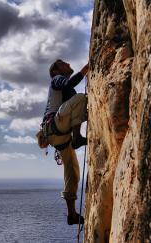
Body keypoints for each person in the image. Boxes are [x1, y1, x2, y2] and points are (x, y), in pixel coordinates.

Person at [42, 59, 88, 225]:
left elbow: (69, 87)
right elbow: (69, 83)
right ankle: (77, 138)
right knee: (81, 98)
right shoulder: (56, 80)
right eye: (63, 63)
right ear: (55, 71)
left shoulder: (63, 89)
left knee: (73, 173)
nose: (68, 63)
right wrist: (87, 68)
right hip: (56, 124)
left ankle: (72, 214)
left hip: (57, 135)